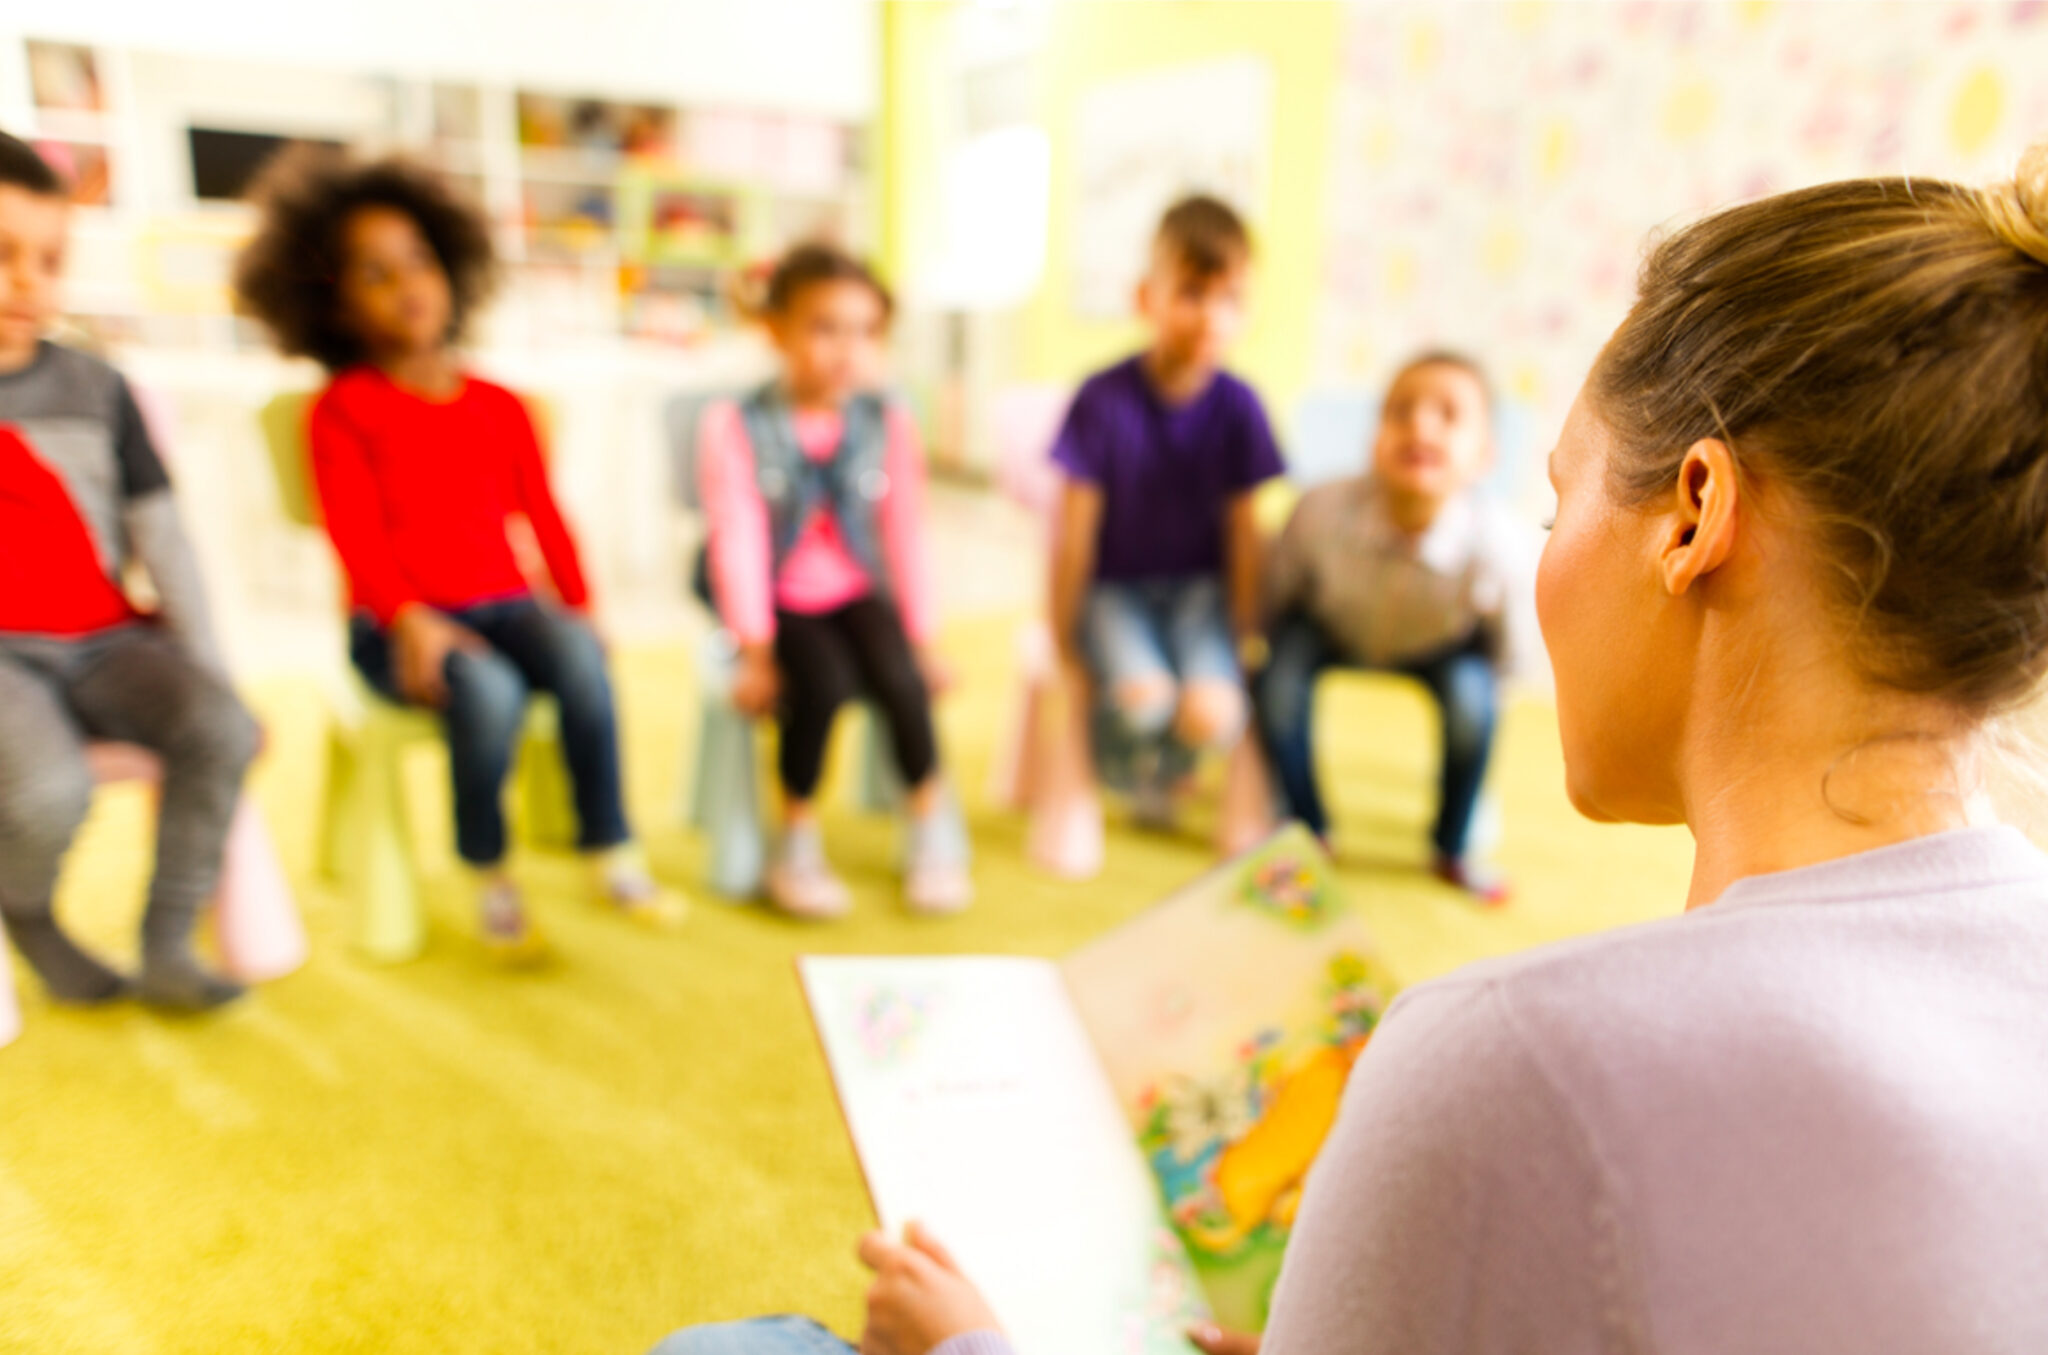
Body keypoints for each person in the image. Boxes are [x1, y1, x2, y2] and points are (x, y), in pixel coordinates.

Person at [648, 144, 2048, 1355]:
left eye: (1554, 496)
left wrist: (976, 1337)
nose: (1544, 550)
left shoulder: (1505, 1058)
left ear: (1691, 514)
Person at [233, 149, 682, 960]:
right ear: (331, 304)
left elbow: (546, 517)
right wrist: (409, 623)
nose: (408, 284)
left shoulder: (499, 405)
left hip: (505, 601)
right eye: (375, 273)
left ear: (452, 269)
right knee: (491, 691)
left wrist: (582, 608)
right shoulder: (343, 412)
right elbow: (354, 539)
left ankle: (607, 843)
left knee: (581, 659)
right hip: (394, 621)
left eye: (420, 261)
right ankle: (491, 868)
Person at [0, 131, 257, 1010]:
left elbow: (165, 538)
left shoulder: (99, 387)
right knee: (50, 788)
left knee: (223, 728)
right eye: (2, 255)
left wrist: (214, 669)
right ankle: (26, 910)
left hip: (103, 636)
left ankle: (169, 942)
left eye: (48, 258)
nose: (27, 280)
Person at [697, 244, 968, 920]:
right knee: (819, 684)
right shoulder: (736, 423)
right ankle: (796, 836)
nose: (847, 349)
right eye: (825, 327)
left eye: (865, 331)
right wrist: (754, 650)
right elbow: (738, 539)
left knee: (903, 679)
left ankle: (928, 825)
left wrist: (924, 637)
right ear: (776, 329)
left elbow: (905, 532)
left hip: (854, 585)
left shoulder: (889, 418)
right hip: (777, 596)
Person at [1047, 195, 1285, 826]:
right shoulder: (1101, 399)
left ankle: (1168, 771)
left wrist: (1244, 631)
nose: (1210, 315)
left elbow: (1244, 532)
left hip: (1199, 597)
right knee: (1143, 702)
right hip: (1114, 594)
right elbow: (1073, 533)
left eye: (1230, 298)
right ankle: (1126, 770)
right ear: (1145, 298)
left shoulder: (1240, 408)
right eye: (1191, 292)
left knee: (1217, 712)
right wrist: (1062, 632)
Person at [1255, 352, 1527, 902]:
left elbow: (1508, 644)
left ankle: (1452, 843)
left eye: (1448, 415)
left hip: (1437, 645)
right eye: (1400, 411)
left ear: (1484, 457)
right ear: (1373, 436)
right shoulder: (1320, 510)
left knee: (1475, 706)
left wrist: (1498, 687)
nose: (1420, 425)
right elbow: (1280, 591)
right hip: (1335, 627)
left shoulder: (1495, 543)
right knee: (1276, 678)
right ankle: (1308, 826)